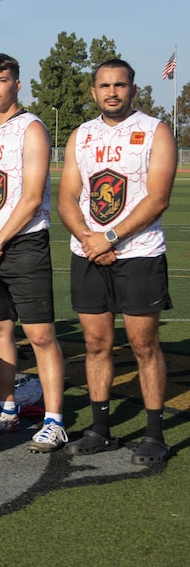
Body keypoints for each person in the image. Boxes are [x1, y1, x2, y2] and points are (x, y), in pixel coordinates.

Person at [57, 59, 176, 464]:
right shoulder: (81, 135)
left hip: (139, 254)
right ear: (94, 92)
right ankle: (101, 430)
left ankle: (155, 434)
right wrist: (90, 241)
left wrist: (108, 237)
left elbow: (157, 198)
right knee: (95, 344)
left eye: (120, 85)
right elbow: (67, 198)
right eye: (104, 86)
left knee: (144, 344)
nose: (112, 92)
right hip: (88, 254)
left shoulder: (156, 131)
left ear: (133, 90)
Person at [0, 53, 67, 452]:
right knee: (0, 330)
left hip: (21, 244)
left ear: (16, 84)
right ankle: (6, 412)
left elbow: (32, 197)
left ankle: (55, 419)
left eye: (1, 79)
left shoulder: (32, 128)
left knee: (39, 334)